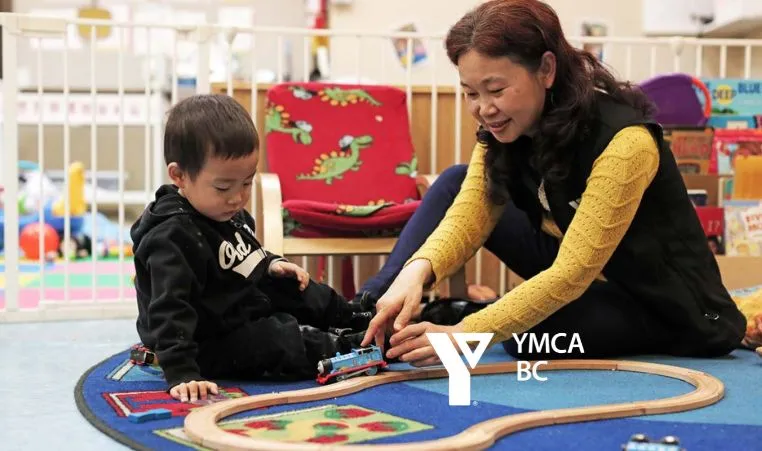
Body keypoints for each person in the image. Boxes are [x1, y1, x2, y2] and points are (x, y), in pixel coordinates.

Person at [360, 0, 746, 366]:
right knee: (455, 181)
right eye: (470, 94)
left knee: (527, 337)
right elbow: (469, 215)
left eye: (496, 90)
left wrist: (466, 334)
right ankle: (367, 312)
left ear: (546, 70)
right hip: (578, 268)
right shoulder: (500, 131)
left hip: (660, 301)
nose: (484, 109)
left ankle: (463, 316)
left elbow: (572, 273)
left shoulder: (625, 141)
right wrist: (415, 273)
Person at [131, 94, 374, 402]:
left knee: (293, 285)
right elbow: (169, 308)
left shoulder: (221, 210)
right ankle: (351, 346)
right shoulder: (170, 237)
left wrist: (270, 263)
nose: (237, 198)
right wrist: (182, 372)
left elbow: (243, 255)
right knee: (278, 340)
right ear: (179, 176)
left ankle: (356, 317)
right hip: (204, 339)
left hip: (237, 306)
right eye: (223, 187)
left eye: (246, 183)